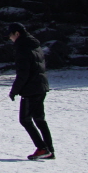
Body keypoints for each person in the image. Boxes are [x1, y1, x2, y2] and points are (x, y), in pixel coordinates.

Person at [8, 23, 54, 160]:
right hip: (40, 87)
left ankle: (42, 148)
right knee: (40, 119)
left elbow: (23, 73)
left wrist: (14, 91)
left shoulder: (22, 48)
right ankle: (49, 150)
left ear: (17, 34)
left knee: (25, 120)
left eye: (10, 35)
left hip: (31, 90)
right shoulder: (34, 44)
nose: (10, 38)